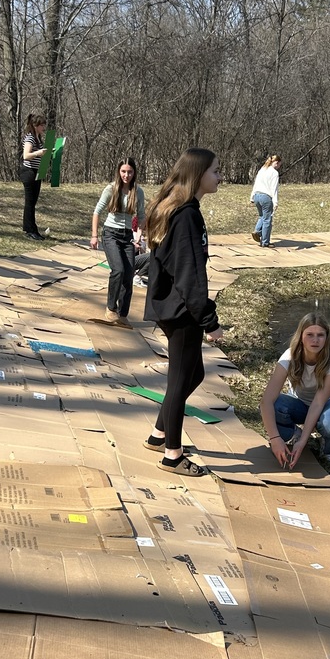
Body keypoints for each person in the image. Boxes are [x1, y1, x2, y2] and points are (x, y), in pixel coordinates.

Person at [143, 148, 224, 476]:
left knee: (194, 374)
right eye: (216, 171)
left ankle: (158, 434)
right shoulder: (187, 215)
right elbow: (191, 275)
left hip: (172, 306)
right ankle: (172, 456)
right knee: (178, 382)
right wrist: (210, 321)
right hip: (181, 310)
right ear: (198, 174)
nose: (220, 176)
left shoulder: (179, 209)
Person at [260, 312, 330, 467]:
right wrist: (274, 439)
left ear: (327, 337)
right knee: (274, 407)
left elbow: (318, 403)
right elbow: (266, 401)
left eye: (320, 335)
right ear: (301, 336)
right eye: (309, 335)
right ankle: (293, 432)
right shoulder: (289, 357)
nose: (315, 340)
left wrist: (302, 442)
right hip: (298, 402)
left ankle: (328, 446)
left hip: (325, 404)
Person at [90, 158, 145, 326]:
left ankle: (122, 314)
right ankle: (110, 308)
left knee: (129, 275)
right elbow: (97, 211)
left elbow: (142, 217)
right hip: (110, 234)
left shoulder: (138, 191)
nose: (126, 175)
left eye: (129, 172)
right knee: (118, 270)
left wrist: (138, 238)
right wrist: (94, 236)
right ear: (118, 172)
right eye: (123, 171)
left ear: (134, 173)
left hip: (127, 236)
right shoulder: (111, 189)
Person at [21, 112, 49, 240]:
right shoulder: (30, 138)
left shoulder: (39, 138)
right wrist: (38, 153)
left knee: (33, 202)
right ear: (35, 125)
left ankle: (34, 229)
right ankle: (28, 230)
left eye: (44, 125)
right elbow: (26, 155)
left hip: (37, 171)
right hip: (28, 171)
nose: (44, 127)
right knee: (30, 202)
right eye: (41, 125)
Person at [250, 153, 282, 247]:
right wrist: (275, 202)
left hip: (257, 195)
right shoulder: (274, 173)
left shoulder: (262, 169)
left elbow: (256, 183)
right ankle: (265, 242)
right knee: (267, 219)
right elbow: (274, 188)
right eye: (279, 165)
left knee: (262, 216)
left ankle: (257, 231)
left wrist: (252, 196)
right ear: (276, 163)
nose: (279, 167)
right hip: (266, 197)